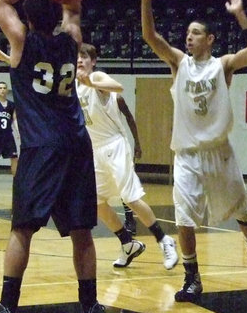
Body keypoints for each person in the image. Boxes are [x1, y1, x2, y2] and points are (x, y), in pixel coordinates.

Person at [0, 0, 114, 313]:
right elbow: (74, 10)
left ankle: (8, 310)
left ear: (27, 18)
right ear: (56, 13)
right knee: (82, 231)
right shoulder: (71, 39)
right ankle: (90, 308)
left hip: (41, 147)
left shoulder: (21, 41)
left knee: (21, 230)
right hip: (76, 143)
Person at [138, 0, 247, 303]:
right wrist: (145, 1)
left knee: (243, 213)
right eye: (188, 32)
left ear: (210, 39)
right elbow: (150, 37)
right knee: (184, 218)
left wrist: (241, 15)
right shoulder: (178, 63)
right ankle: (192, 278)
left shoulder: (222, 65)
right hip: (186, 155)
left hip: (219, 152)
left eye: (196, 33)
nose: (189, 37)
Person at [76, 43, 179, 270]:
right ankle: (127, 243)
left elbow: (119, 86)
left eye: (85, 57)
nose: (80, 60)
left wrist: (90, 81)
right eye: (77, 57)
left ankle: (165, 240)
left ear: (93, 62)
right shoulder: (74, 86)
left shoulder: (98, 78)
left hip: (115, 145)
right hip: (95, 149)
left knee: (130, 198)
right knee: (96, 202)